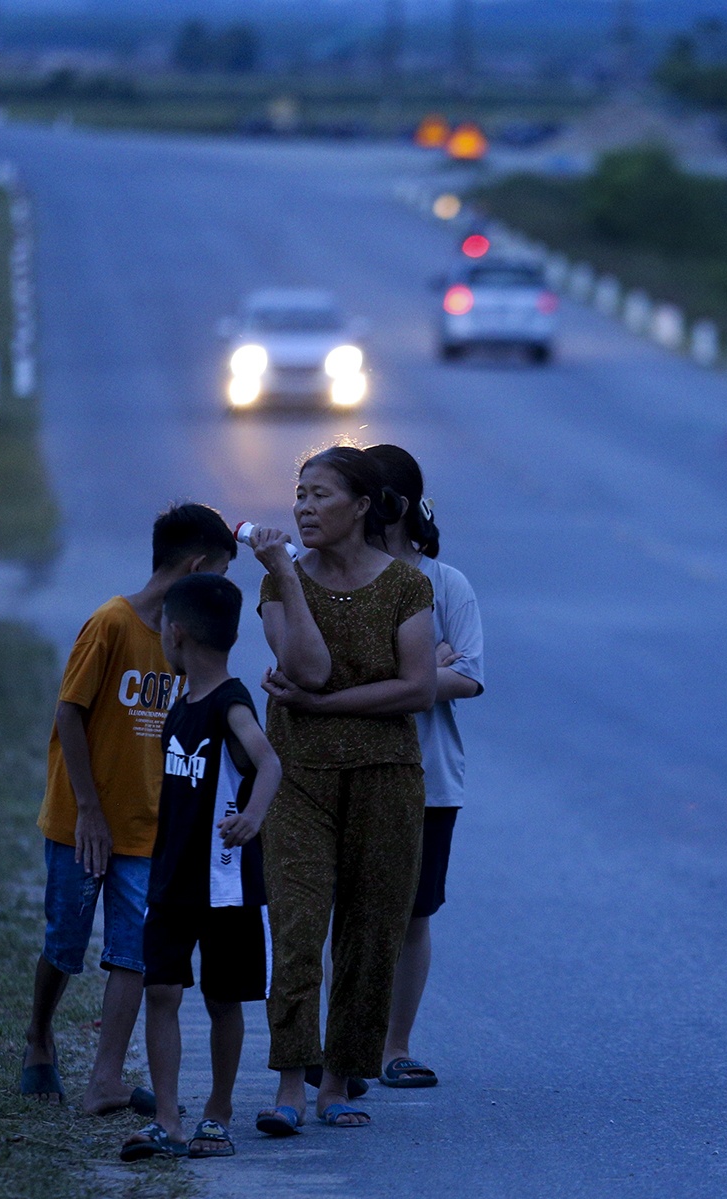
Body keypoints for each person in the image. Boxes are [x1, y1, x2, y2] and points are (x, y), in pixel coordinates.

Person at [24, 502, 238, 1114]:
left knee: (134, 952)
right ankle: (39, 1034)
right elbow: (69, 712)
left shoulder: (185, 645)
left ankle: (105, 1078)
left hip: (148, 827)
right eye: (219, 575)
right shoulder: (112, 624)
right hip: (82, 820)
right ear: (196, 567)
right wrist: (89, 809)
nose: (221, 591)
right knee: (65, 941)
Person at [245, 447, 436, 1134]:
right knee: (297, 925)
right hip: (298, 776)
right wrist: (287, 579)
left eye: (320, 494)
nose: (302, 507)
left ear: (360, 507)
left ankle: (338, 1082)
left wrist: (325, 707)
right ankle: (290, 1083)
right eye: (298, 494)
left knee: (370, 929)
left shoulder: (408, 588)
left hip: (386, 777)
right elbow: (307, 666)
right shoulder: (278, 582)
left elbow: (416, 687)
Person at [121, 573, 282, 1161]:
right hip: (171, 879)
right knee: (160, 989)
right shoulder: (181, 701)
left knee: (223, 999)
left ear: (178, 632)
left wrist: (252, 818)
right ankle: (168, 1119)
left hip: (225, 881)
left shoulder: (230, 703)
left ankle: (216, 1113)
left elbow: (268, 764)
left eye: (163, 626)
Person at [364, 444, 485, 1089]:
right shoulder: (330, 576)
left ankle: (395, 1046)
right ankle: (346, 1044)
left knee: (413, 913)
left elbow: (468, 676)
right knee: (348, 909)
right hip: (349, 765)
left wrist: (420, 678)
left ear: (394, 505)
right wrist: (420, 670)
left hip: (428, 773)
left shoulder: (445, 583)